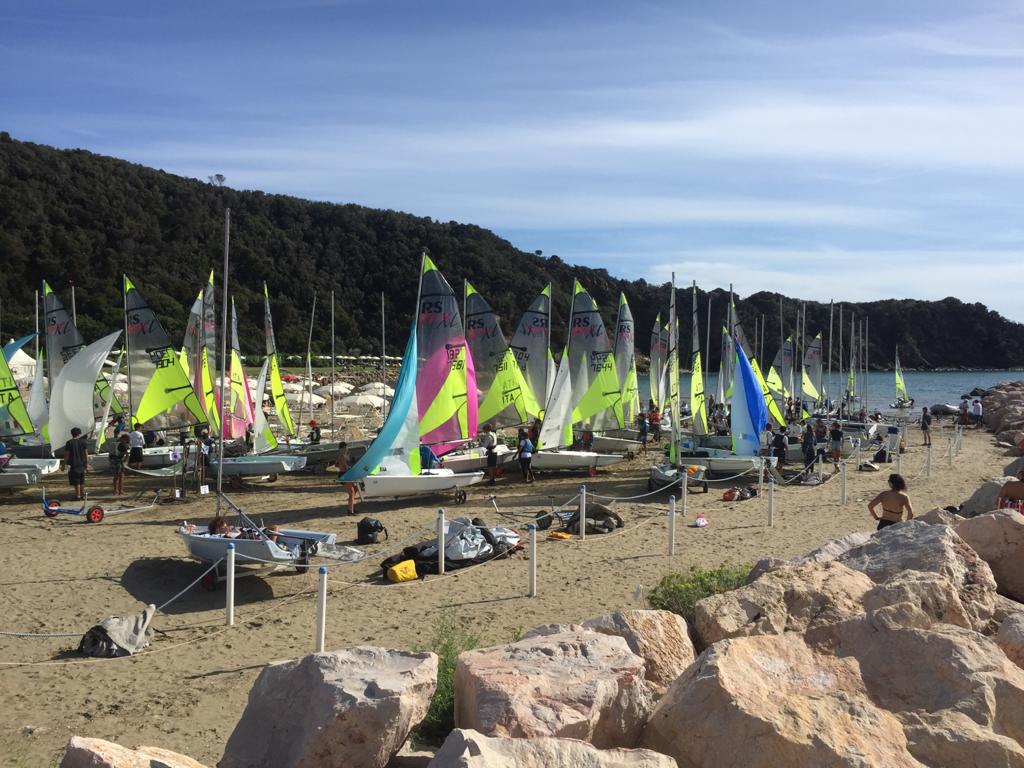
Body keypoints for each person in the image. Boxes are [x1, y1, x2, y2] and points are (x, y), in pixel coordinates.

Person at [63, 427, 89, 500]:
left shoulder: (69, 443)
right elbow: (86, 454)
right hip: (82, 464)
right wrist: (86, 463)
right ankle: (82, 495)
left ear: (71, 434)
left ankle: (78, 496)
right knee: (81, 481)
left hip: (73, 464)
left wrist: (63, 465)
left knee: (76, 481)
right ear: (79, 434)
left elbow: (67, 455)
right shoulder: (83, 442)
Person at [336, 442, 357, 515]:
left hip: (346, 474)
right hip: (344, 475)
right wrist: (353, 468)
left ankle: (351, 508)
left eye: (346, 448)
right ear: (341, 449)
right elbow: (345, 467)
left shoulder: (344, 455)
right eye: (344, 448)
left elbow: (336, 464)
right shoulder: (342, 456)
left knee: (355, 489)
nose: (346, 449)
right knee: (351, 492)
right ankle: (350, 511)